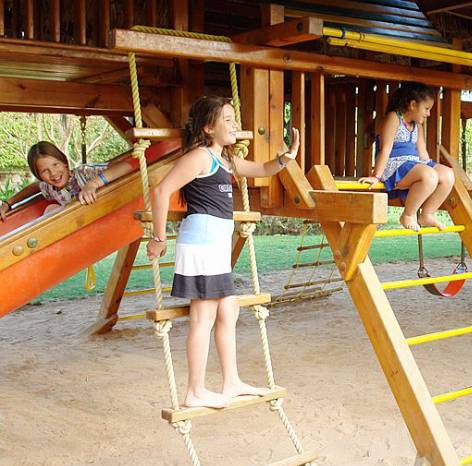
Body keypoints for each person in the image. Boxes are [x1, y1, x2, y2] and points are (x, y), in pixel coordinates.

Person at [146, 96, 298, 409]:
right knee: (203, 318)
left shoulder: (225, 160)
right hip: (200, 246)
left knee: (229, 310)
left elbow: (262, 168)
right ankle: (195, 391)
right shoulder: (200, 157)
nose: (234, 125)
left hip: (214, 249)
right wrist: (158, 238)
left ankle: (231, 382)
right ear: (207, 127)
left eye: (233, 118)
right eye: (227, 119)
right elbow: (161, 191)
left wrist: (286, 158)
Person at [358, 82, 454, 231]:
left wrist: (434, 169)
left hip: (413, 165)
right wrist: (376, 176)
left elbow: (423, 154)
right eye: (426, 109)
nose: (429, 114)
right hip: (394, 166)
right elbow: (385, 149)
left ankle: (427, 214)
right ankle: (408, 215)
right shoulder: (394, 118)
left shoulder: (417, 126)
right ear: (413, 105)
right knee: (430, 175)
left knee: (448, 175)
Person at [0, 141, 136, 221]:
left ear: (65, 162)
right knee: (50, 209)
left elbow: (125, 166)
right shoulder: (49, 187)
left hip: (102, 215)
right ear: (39, 175)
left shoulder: (83, 172)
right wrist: (8, 203)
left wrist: (93, 184)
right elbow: (35, 187)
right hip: (75, 223)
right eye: (45, 171)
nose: (53, 173)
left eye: (56, 165)